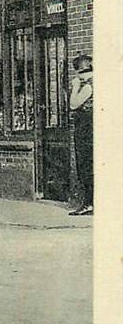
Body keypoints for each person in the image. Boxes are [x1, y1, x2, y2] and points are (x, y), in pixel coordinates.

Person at [69, 54, 93, 216]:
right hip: (92, 128)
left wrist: (75, 86)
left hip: (86, 129)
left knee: (84, 165)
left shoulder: (87, 86)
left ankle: (88, 203)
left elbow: (73, 104)